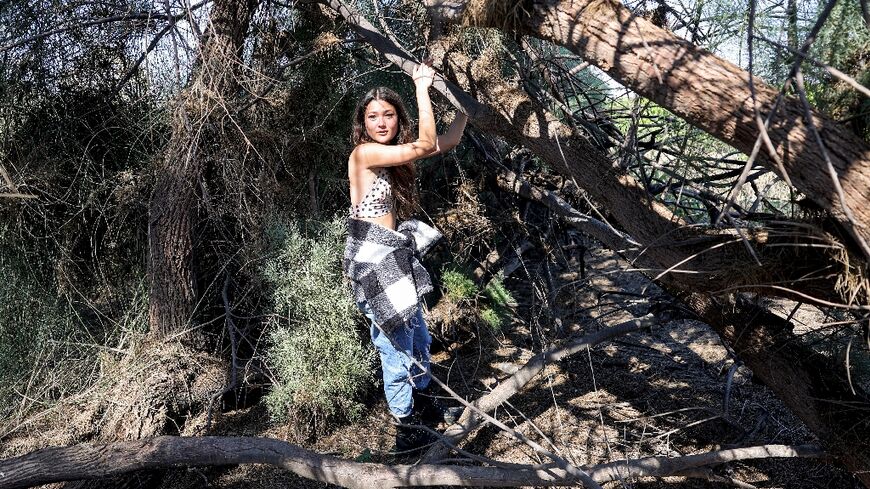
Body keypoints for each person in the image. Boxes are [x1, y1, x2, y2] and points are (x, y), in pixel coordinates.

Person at [342, 61, 468, 454]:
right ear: (363, 124)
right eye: (373, 116)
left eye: (388, 115)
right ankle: (405, 425)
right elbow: (428, 143)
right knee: (394, 345)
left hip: (393, 260)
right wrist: (421, 87)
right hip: (373, 264)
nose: (382, 122)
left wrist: (465, 108)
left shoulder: (391, 155)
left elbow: (444, 141)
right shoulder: (364, 153)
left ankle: (425, 402)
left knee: (418, 336)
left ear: (398, 119)